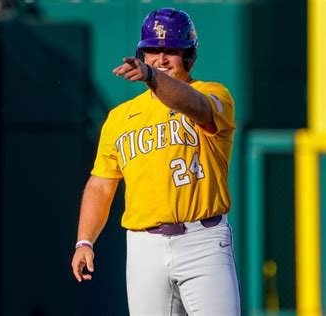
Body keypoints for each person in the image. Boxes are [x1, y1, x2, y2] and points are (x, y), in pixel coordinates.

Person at [71, 7, 241, 316]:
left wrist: (152, 77)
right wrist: (84, 241)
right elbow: (101, 183)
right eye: (152, 50)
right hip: (143, 245)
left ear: (188, 55)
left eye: (170, 50)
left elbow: (198, 107)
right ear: (141, 54)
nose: (160, 58)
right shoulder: (120, 118)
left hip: (203, 238)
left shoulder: (213, 93)